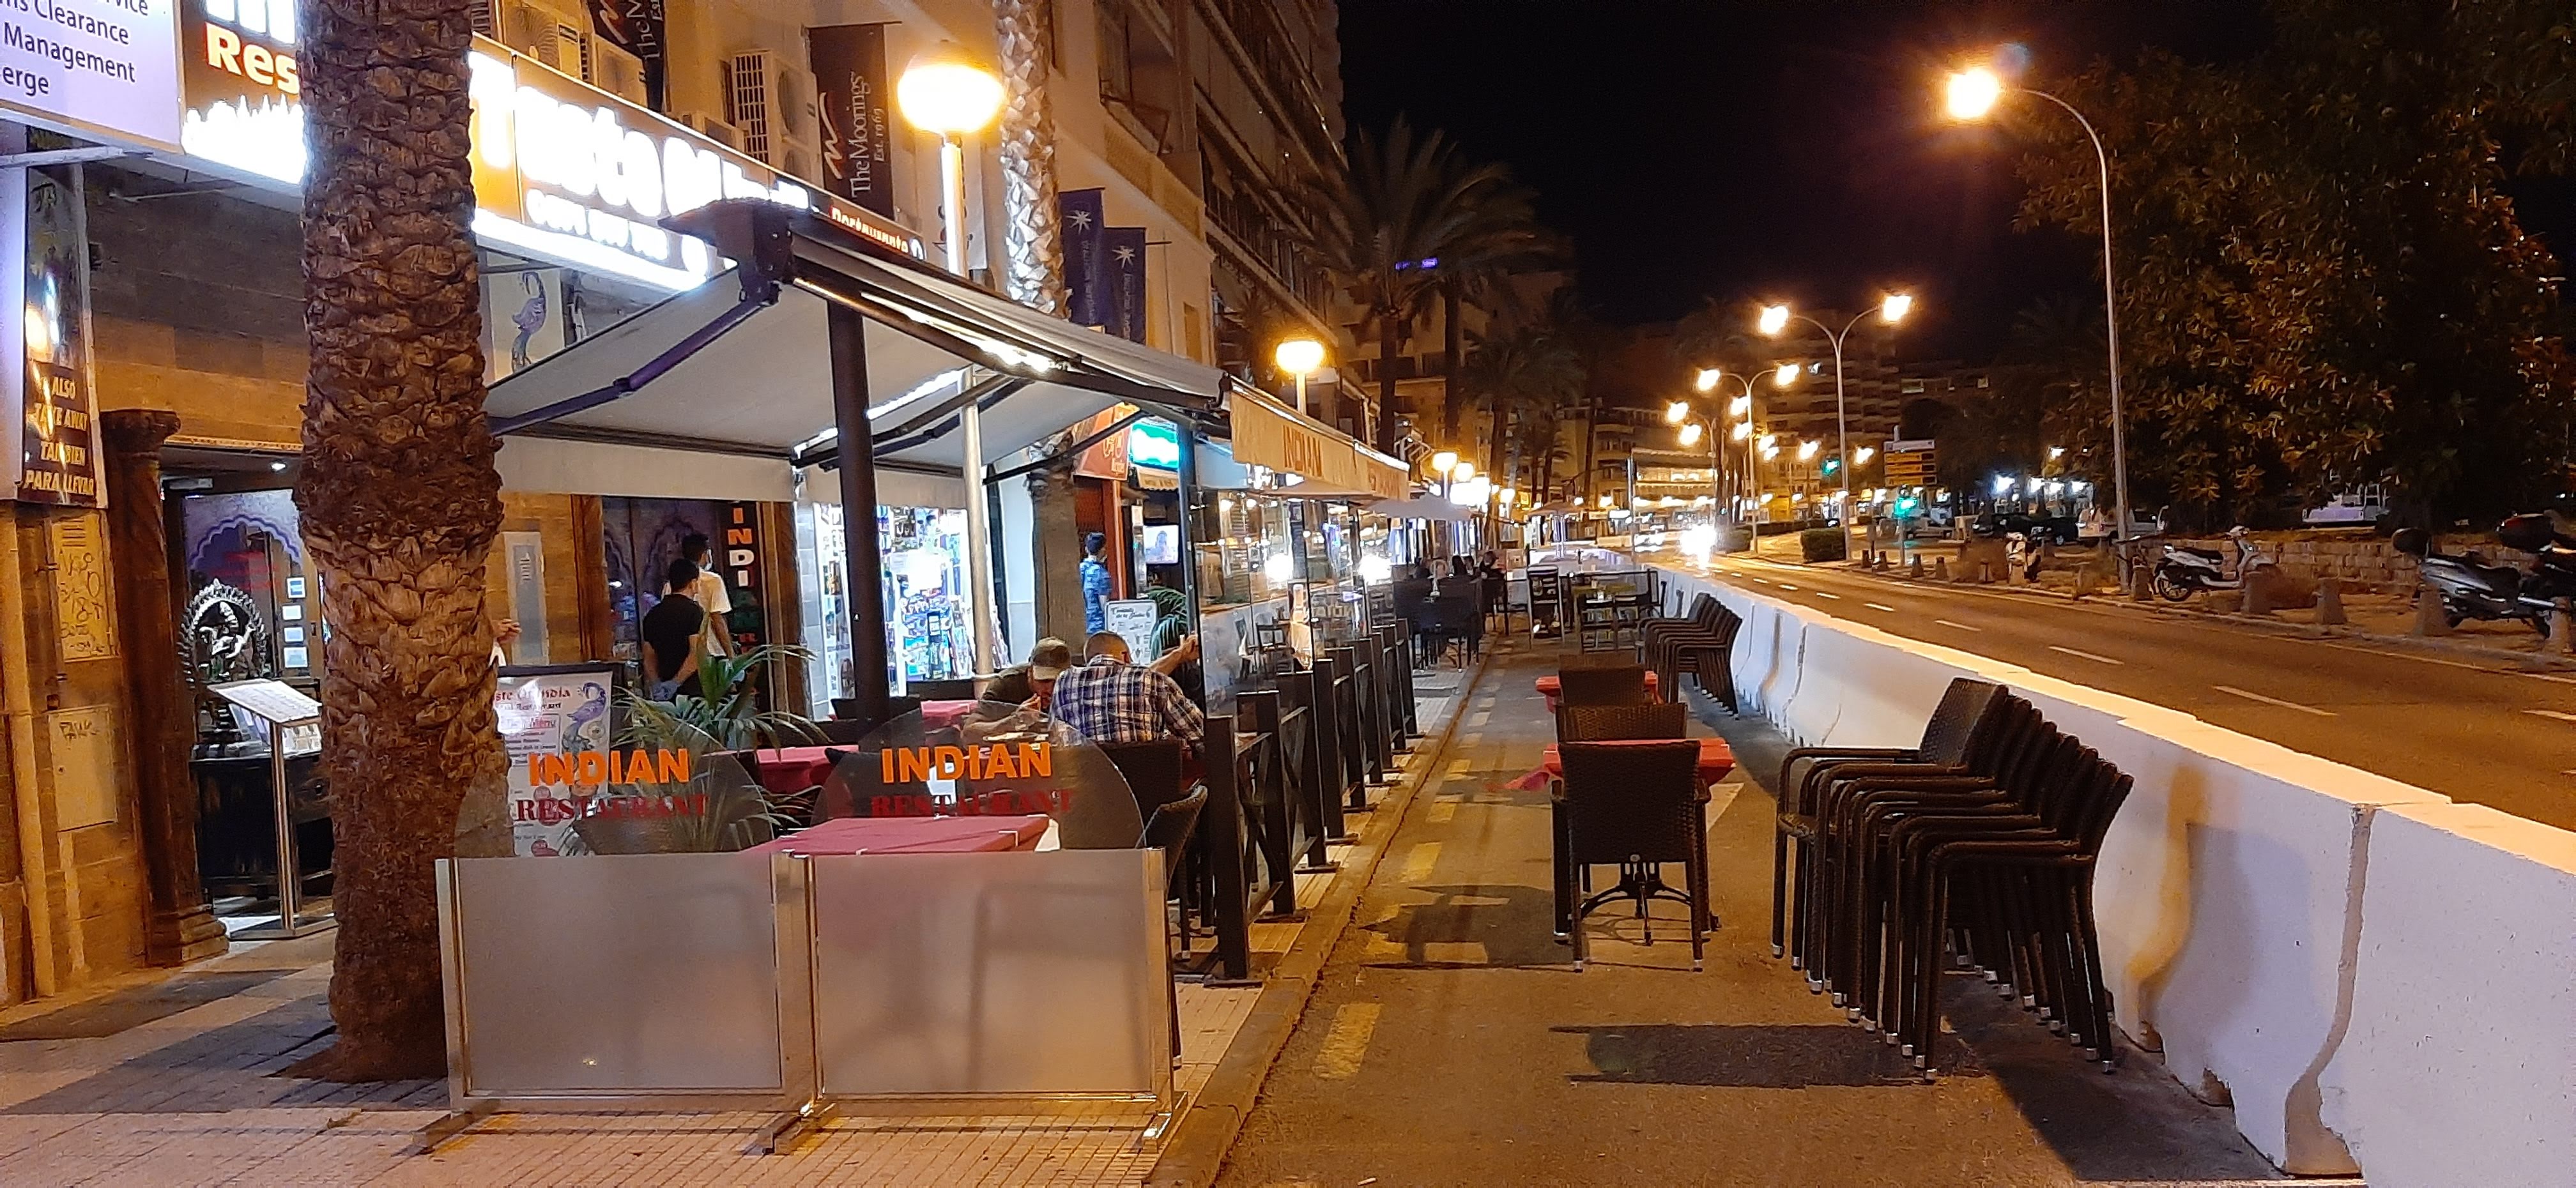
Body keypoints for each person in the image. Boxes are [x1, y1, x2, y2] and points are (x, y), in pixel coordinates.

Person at [1048, 630, 1204, 751]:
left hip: (1089, 788)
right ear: (1126, 656)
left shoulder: (1064, 682)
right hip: (1150, 787)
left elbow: (1056, 742)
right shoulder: (1150, 680)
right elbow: (1199, 733)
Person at [639, 558, 708, 700]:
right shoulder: (694, 611)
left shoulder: (653, 614)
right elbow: (697, 653)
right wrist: (676, 682)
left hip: (663, 692)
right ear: (693, 583)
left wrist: (657, 684)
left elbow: (649, 656)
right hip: (692, 690)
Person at [664, 533, 733, 655]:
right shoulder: (713, 581)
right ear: (705, 555)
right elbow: (717, 620)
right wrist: (731, 654)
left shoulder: (670, 584)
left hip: (680, 653)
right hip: (712, 653)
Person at [981, 637, 1073, 708]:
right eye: (1044, 681)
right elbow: (972, 728)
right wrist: (1015, 720)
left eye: (1059, 682)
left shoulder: (1079, 687)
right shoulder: (1004, 686)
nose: (1050, 690)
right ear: (1030, 672)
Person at [1080, 531, 1112, 635]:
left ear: (1086, 549)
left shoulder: (1079, 569)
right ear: (1103, 550)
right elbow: (1104, 606)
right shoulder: (1102, 574)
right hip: (1097, 626)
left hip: (1080, 624)